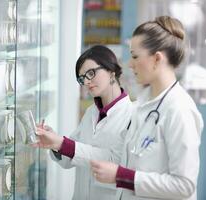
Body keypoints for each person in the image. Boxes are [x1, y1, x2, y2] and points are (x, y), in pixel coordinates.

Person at [90, 16, 204, 200]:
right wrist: (62, 144)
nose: (129, 64)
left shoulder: (179, 110)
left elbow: (185, 185)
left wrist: (122, 176)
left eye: (135, 56)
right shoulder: (143, 105)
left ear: (157, 59)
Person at [33, 45, 133, 199]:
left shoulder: (131, 116)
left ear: (111, 71)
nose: (86, 82)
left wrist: (61, 143)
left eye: (91, 73)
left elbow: (115, 161)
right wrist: (53, 142)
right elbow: (68, 160)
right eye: (82, 78)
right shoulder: (91, 113)